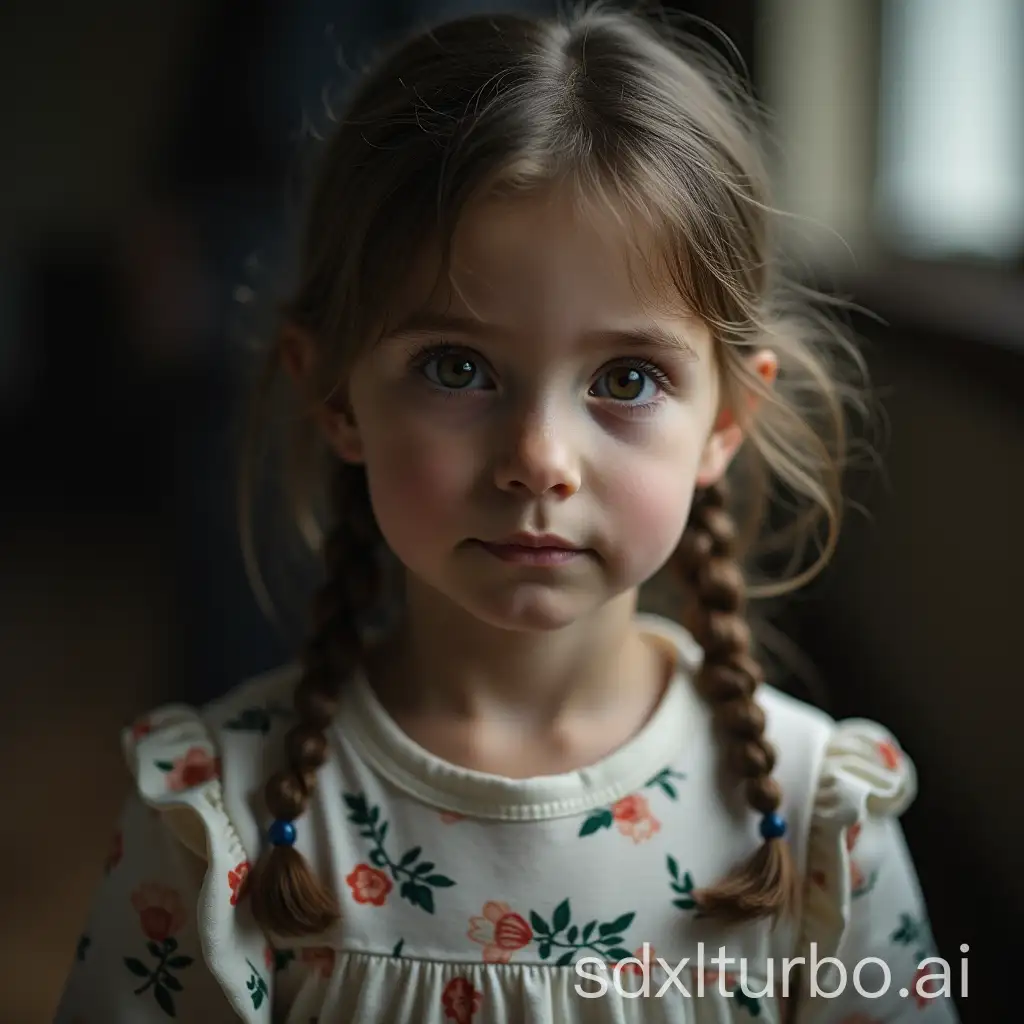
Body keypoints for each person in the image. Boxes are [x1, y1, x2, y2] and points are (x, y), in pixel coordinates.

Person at [53, 4, 962, 1022]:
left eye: (625, 377)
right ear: (336, 393)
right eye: (457, 367)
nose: (538, 459)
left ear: (726, 419)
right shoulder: (215, 822)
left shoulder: (818, 822)